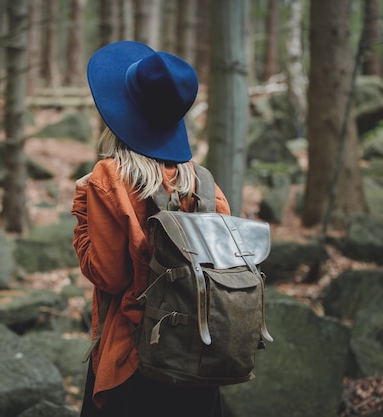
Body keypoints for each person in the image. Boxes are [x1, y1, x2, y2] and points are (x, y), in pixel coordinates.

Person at [71, 40, 231, 417]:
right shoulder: (203, 183)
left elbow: (108, 276)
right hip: (198, 358)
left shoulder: (109, 180)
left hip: (135, 360)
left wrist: (82, 219)